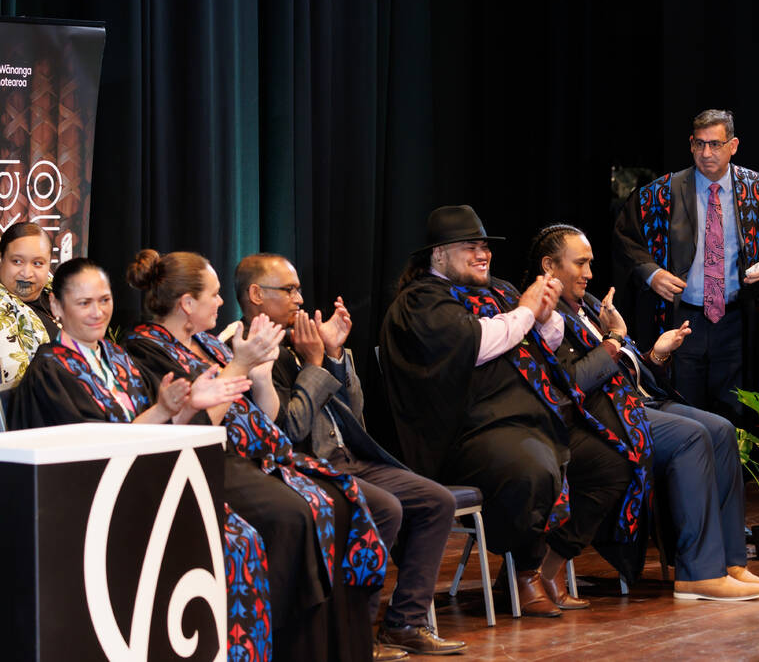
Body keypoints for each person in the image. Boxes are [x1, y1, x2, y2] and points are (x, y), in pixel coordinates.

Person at [380, 205, 649, 618]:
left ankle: (547, 564)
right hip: (471, 433)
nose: (481, 254)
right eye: (469, 247)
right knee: (534, 466)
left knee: (613, 461)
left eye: (484, 246)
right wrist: (526, 312)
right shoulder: (421, 302)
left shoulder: (499, 291)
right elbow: (478, 343)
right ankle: (522, 573)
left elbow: (544, 344)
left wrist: (543, 318)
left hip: (536, 419)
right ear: (438, 255)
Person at [123, 249, 387, 662]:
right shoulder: (147, 350)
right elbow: (194, 427)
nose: (221, 302)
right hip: (207, 464)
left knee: (338, 502)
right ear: (187, 304)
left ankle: (335, 647)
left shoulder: (209, 342)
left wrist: (260, 375)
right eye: (212, 294)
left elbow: (268, 419)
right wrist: (240, 364)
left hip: (256, 456)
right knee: (293, 516)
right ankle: (287, 644)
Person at [7, 258, 272, 659]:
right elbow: (97, 447)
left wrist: (188, 406)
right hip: (97, 509)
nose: (98, 312)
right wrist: (166, 411)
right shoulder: (51, 370)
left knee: (243, 539)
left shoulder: (120, 360)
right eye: (84, 303)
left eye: (105, 300)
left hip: (151, 487)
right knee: (229, 544)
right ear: (58, 308)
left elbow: (163, 430)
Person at [232, 253, 464, 659]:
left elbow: (354, 412)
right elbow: (288, 430)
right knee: (385, 509)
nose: (299, 299)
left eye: (299, 289)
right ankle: (357, 637)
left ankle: (405, 623)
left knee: (435, 501)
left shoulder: (299, 338)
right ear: (255, 294)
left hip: (350, 456)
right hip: (307, 467)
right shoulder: (246, 349)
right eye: (289, 290)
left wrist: (335, 355)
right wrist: (315, 364)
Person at [528, 224, 759, 601]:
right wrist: (612, 340)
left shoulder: (591, 306)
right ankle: (698, 573)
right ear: (549, 265)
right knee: (693, 437)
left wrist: (655, 354)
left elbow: (625, 369)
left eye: (591, 263)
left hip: (641, 402)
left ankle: (729, 561)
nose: (590, 273)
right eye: (580, 264)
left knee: (722, 430)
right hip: (606, 417)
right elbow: (571, 382)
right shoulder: (543, 313)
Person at [614, 109, 759, 419]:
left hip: (735, 321)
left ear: (733, 145)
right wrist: (651, 273)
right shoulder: (664, 192)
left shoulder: (757, 189)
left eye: (715, 144)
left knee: (736, 414)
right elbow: (624, 237)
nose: (706, 153)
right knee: (685, 411)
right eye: (699, 144)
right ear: (690, 144)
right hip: (682, 321)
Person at [0, 223, 61, 391]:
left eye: (38, 263)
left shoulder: (59, 294)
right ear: (1, 259)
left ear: (49, 264)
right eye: (17, 261)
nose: (27, 273)